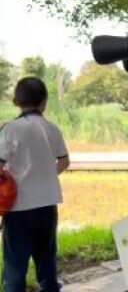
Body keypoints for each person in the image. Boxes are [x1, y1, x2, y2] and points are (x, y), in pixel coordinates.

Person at [0, 77, 70, 292]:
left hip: (19, 208)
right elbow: (64, 161)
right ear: (44, 102)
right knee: (47, 265)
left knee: (15, 270)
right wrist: (48, 174)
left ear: (16, 101)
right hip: (48, 206)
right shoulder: (52, 129)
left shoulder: (10, 129)